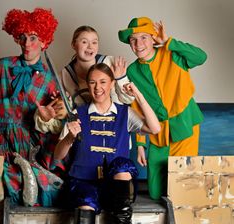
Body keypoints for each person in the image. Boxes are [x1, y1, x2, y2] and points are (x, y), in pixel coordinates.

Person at [0, 7, 67, 206]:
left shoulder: (50, 80)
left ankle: (30, 178)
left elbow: (53, 126)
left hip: (27, 141)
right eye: (23, 37)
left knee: (33, 173)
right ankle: (24, 180)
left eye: (34, 38)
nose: (27, 44)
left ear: (44, 42)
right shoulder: (2, 65)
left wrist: (46, 117)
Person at [55, 63, 160, 224]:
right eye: (92, 82)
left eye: (103, 82)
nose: (98, 87)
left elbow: (154, 128)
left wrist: (138, 95)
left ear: (112, 83)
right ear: (87, 85)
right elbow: (58, 155)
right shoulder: (78, 114)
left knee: (122, 165)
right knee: (86, 199)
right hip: (83, 183)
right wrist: (70, 137)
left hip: (117, 189)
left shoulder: (125, 113)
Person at [118, 17, 207, 200]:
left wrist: (169, 42)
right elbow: (137, 107)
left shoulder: (171, 53)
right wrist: (141, 144)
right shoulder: (133, 71)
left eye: (143, 37)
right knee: (156, 191)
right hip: (158, 131)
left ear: (153, 38)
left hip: (185, 124)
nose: (138, 44)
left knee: (182, 183)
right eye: (133, 40)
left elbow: (201, 57)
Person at [60, 25, 134, 108]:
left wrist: (120, 79)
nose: (90, 46)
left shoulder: (111, 62)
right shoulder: (65, 74)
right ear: (73, 44)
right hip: (84, 120)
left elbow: (129, 99)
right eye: (84, 42)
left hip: (118, 118)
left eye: (94, 42)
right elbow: (69, 108)